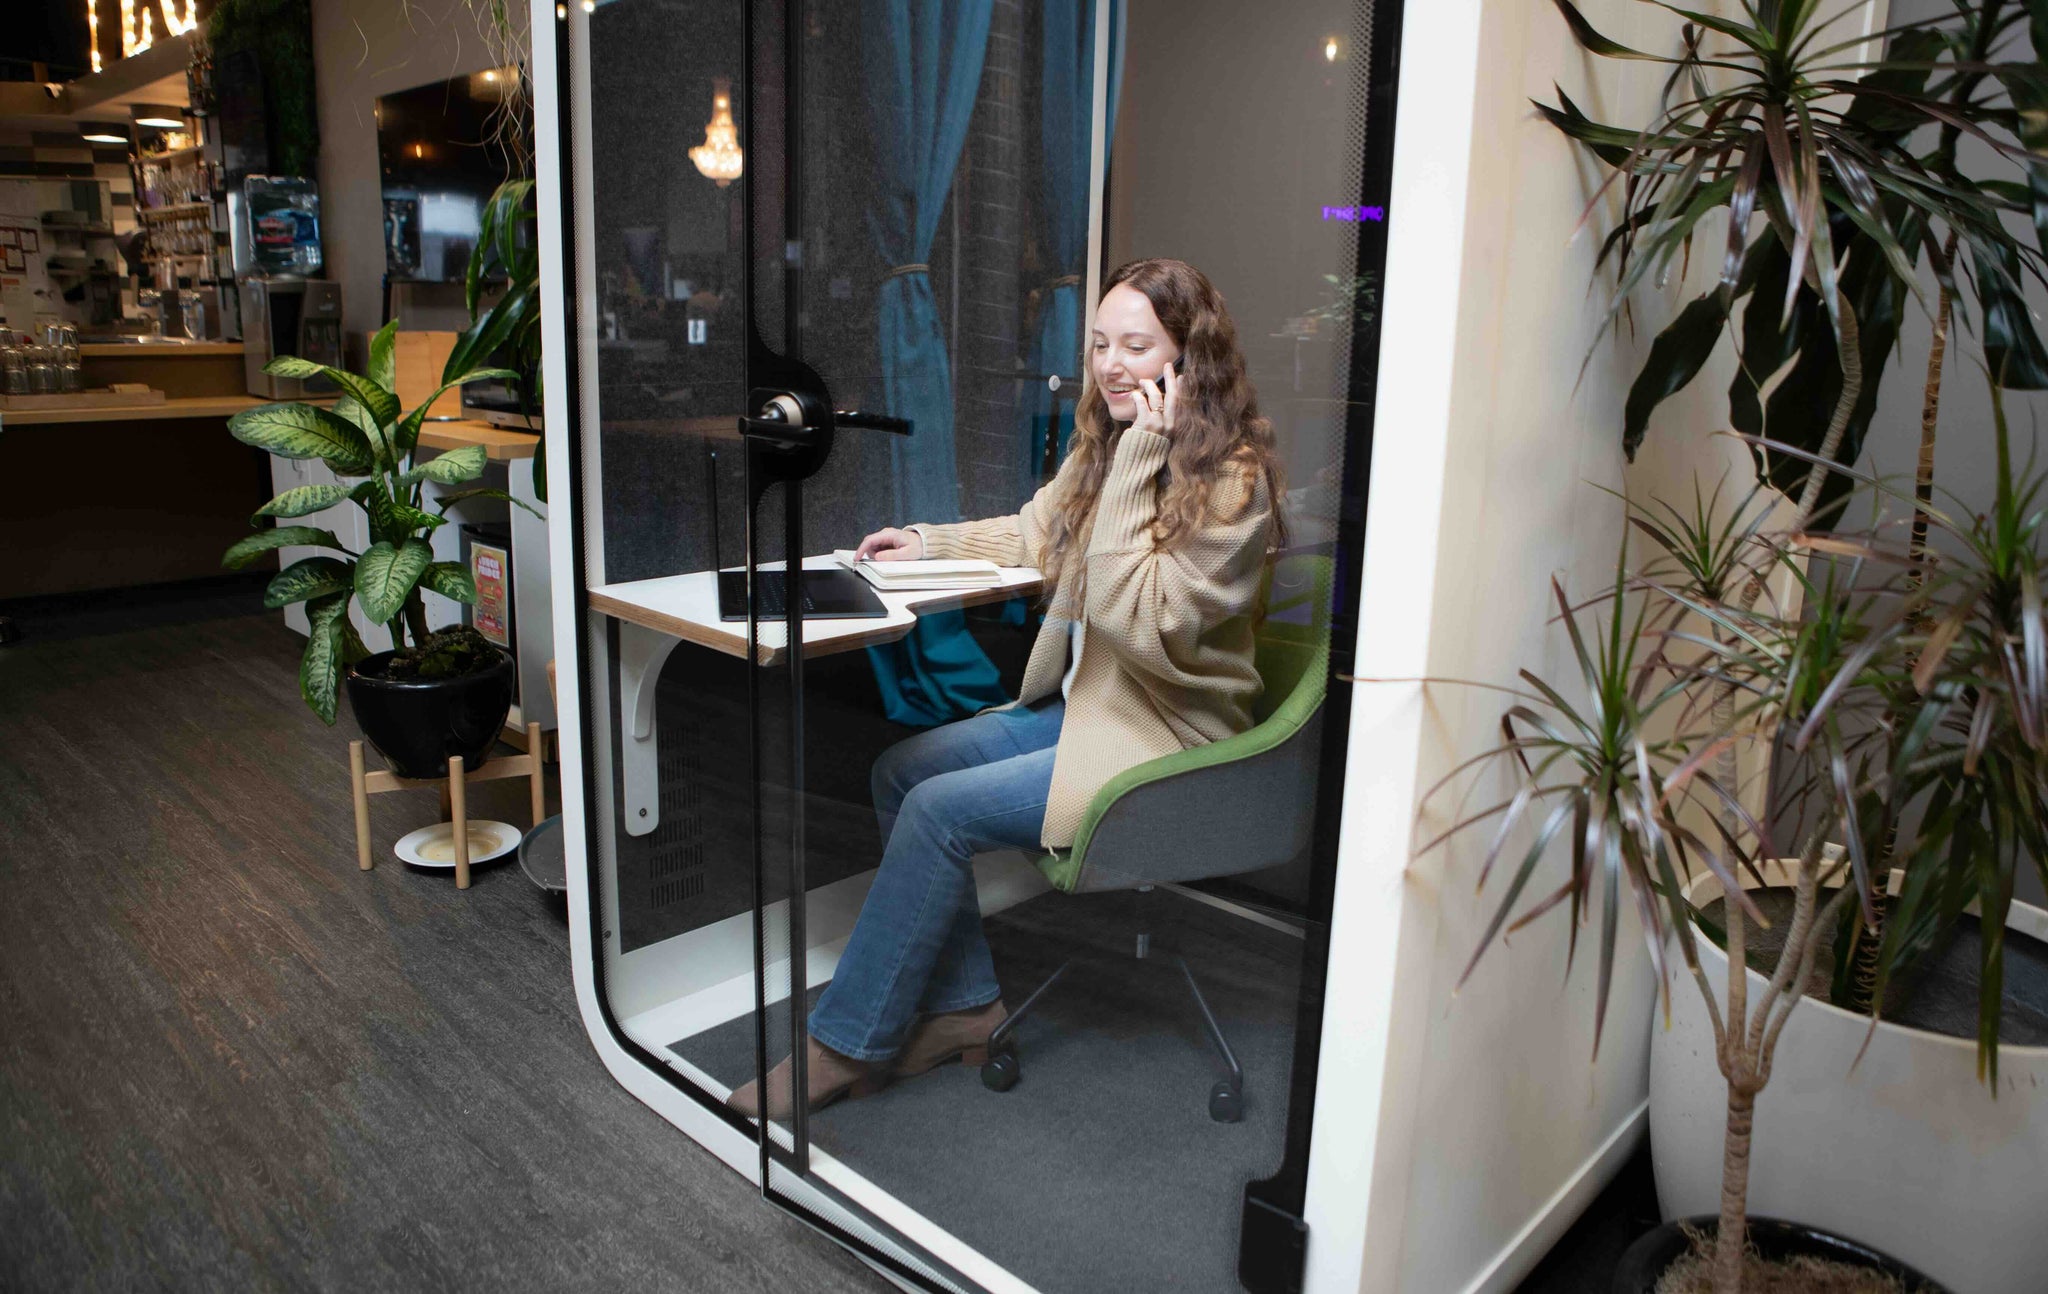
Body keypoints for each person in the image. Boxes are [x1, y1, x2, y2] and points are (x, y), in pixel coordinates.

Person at [729, 258, 1287, 1119]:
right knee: (901, 772)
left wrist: (1142, 454)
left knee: (940, 812)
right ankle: (967, 1011)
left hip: (1166, 736)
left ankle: (838, 1048)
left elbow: (1139, 617)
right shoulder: (1105, 446)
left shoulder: (1234, 484)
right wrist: (928, 539)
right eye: (1100, 343)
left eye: (1136, 345)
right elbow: (1036, 532)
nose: (1109, 364)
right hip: (1089, 710)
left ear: (1190, 357)